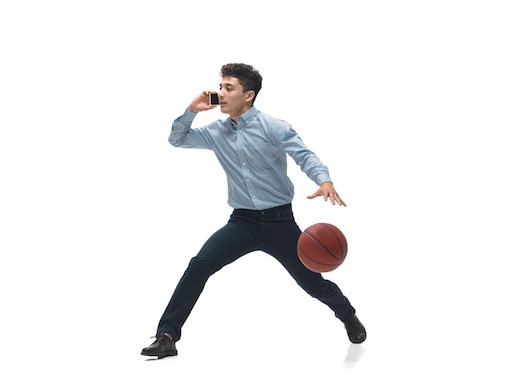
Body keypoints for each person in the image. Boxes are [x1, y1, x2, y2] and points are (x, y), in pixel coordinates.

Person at [141, 63, 366, 359]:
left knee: (312, 284)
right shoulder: (216, 132)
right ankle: (167, 336)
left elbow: (305, 156)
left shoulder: (274, 127)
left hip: (280, 223)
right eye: (220, 87)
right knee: (199, 266)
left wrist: (323, 180)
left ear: (248, 96)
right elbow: (177, 139)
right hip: (241, 223)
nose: (220, 93)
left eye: (228, 88)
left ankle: (347, 313)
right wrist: (192, 110)